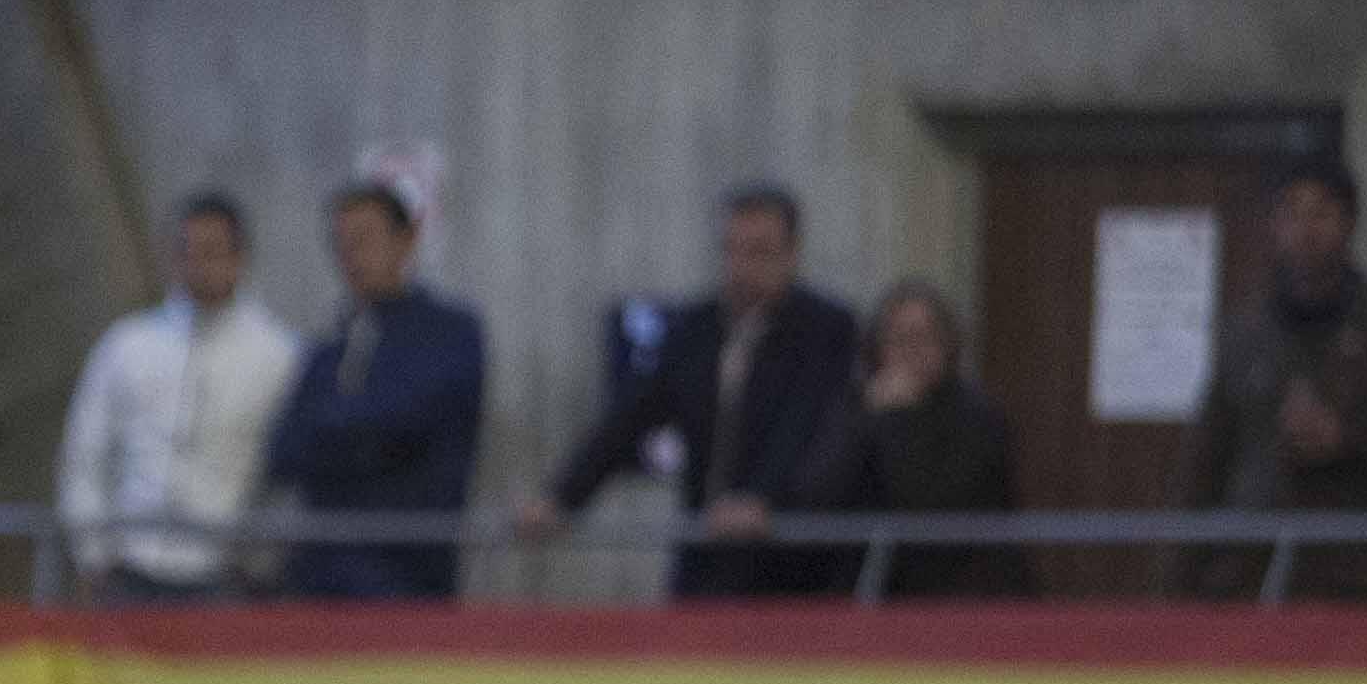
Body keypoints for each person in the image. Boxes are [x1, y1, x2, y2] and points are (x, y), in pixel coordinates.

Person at [515, 182, 860, 598]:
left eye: (759, 251)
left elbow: (812, 428)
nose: (742, 266)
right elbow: (630, 417)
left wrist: (766, 501)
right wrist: (562, 498)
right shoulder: (697, 330)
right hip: (706, 555)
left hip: (794, 564)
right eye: (733, 250)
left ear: (791, 253)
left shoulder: (827, 331)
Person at [1178, 160, 1367, 603]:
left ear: (1349, 223)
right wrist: (1179, 586)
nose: (1305, 230)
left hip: (1362, 582)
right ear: (1273, 226)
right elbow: (1203, 465)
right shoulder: (1244, 335)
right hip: (1249, 578)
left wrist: (1348, 439)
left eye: (1320, 213)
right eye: (1290, 213)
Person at [54, 191, 301, 599]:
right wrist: (92, 554)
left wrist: (259, 562)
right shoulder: (127, 344)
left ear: (239, 258)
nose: (197, 265)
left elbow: (285, 473)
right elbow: (85, 453)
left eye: (211, 251)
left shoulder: (280, 356)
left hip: (223, 571)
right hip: (129, 564)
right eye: (186, 251)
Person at [260, 180, 488, 600]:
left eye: (364, 239)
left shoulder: (449, 334)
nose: (351, 257)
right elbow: (284, 448)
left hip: (406, 573)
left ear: (405, 240)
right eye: (341, 244)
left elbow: (402, 421)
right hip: (317, 574)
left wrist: (333, 435)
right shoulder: (333, 345)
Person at [780, 278, 1034, 600]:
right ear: (877, 348)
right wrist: (866, 421)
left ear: (948, 345)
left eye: (923, 338)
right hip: (874, 592)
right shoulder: (858, 408)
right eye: (898, 339)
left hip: (963, 594)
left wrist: (897, 419)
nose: (911, 352)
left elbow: (929, 505)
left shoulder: (979, 418)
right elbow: (814, 493)